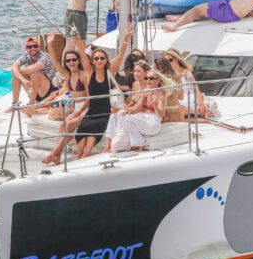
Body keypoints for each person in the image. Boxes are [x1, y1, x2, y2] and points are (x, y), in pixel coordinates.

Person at [72, 28, 131, 160]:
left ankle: (85, 156)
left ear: (105, 60)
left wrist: (126, 39)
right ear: (92, 60)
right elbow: (82, 53)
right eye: (97, 58)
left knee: (93, 131)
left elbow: (121, 54)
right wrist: (76, 38)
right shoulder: (88, 71)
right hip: (91, 111)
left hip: (105, 111)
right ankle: (78, 157)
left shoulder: (110, 71)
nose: (99, 60)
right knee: (83, 130)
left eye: (102, 58)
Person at [42, 34, 91, 165]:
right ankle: (57, 156)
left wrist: (78, 113)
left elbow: (90, 97)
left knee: (68, 124)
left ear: (78, 60)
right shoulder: (67, 75)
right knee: (63, 127)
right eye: (68, 61)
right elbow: (55, 63)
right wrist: (50, 45)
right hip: (76, 108)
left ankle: (54, 154)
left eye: (74, 59)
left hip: (87, 109)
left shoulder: (83, 75)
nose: (71, 63)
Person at [104, 69, 168, 153]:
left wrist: (154, 105)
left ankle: (138, 144)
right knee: (118, 114)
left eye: (151, 78)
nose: (148, 80)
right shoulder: (145, 91)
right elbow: (137, 108)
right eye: (146, 78)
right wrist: (120, 109)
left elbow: (160, 116)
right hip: (143, 118)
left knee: (128, 119)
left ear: (158, 81)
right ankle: (112, 141)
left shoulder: (161, 94)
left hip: (153, 122)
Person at [9, 37, 57, 110]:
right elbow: (13, 67)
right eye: (29, 47)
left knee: (34, 73)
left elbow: (33, 68)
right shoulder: (26, 56)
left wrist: (19, 70)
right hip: (34, 93)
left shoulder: (45, 56)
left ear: (39, 47)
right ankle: (15, 104)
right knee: (16, 75)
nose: (32, 48)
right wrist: (23, 79)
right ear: (26, 48)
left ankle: (31, 105)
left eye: (35, 46)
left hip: (49, 92)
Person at [163, 48, 209, 117]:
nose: (168, 63)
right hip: (178, 99)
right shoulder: (168, 74)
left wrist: (201, 104)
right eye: (166, 62)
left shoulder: (186, 73)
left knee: (175, 109)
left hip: (189, 98)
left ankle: (197, 112)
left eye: (170, 60)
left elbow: (196, 89)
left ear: (177, 59)